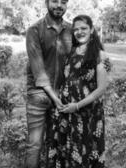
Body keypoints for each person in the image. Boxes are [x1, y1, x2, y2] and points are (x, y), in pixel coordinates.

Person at [47, 15, 111, 168]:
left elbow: (101, 88)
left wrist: (76, 106)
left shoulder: (100, 55)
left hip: (86, 112)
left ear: (92, 30)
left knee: (86, 150)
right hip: (66, 110)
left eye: (83, 28)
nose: (79, 32)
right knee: (66, 150)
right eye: (76, 29)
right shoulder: (73, 51)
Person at [25, 0, 72, 168]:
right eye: (54, 0)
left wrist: (103, 58)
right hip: (39, 96)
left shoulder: (71, 30)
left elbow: (85, 54)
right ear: (46, 3)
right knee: (35, 145)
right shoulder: (34, 30)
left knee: (57, 145)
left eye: (63, 2)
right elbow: (39, 72)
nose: (59, 5)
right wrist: (56, 98)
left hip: (62, 97)